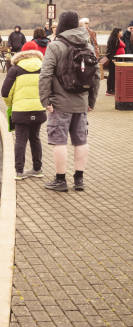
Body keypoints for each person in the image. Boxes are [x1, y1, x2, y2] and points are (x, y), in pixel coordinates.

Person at [39, 10, 100, 192]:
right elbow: (96, 76)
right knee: (81, 141)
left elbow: (45, 75)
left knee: (59, 142)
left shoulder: (55, 45)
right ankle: (79, 180)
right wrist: (91, 101)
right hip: (81, 102)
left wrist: (45, 99)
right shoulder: (87, 45)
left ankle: (60, 180)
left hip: (59, 103)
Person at [1, 43, 47, 180]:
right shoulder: (43, 68)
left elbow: (5, 92)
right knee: (35, 138)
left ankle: (19, 172)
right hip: (38, 109)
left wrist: (11, 105)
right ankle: (37, 169)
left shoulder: (15, 69)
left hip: (20, 110)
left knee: (20, 140)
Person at [105, 27, 125, 95]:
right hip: (114, 59)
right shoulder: (113, 39)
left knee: (114, 74)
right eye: (121, 32)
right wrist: (112, 58)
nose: (122, 33)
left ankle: (113, 89)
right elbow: (111, 50)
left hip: (118, 59)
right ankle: (109, 90)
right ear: (117, 32)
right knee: (112, 74)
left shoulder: (118, 38)